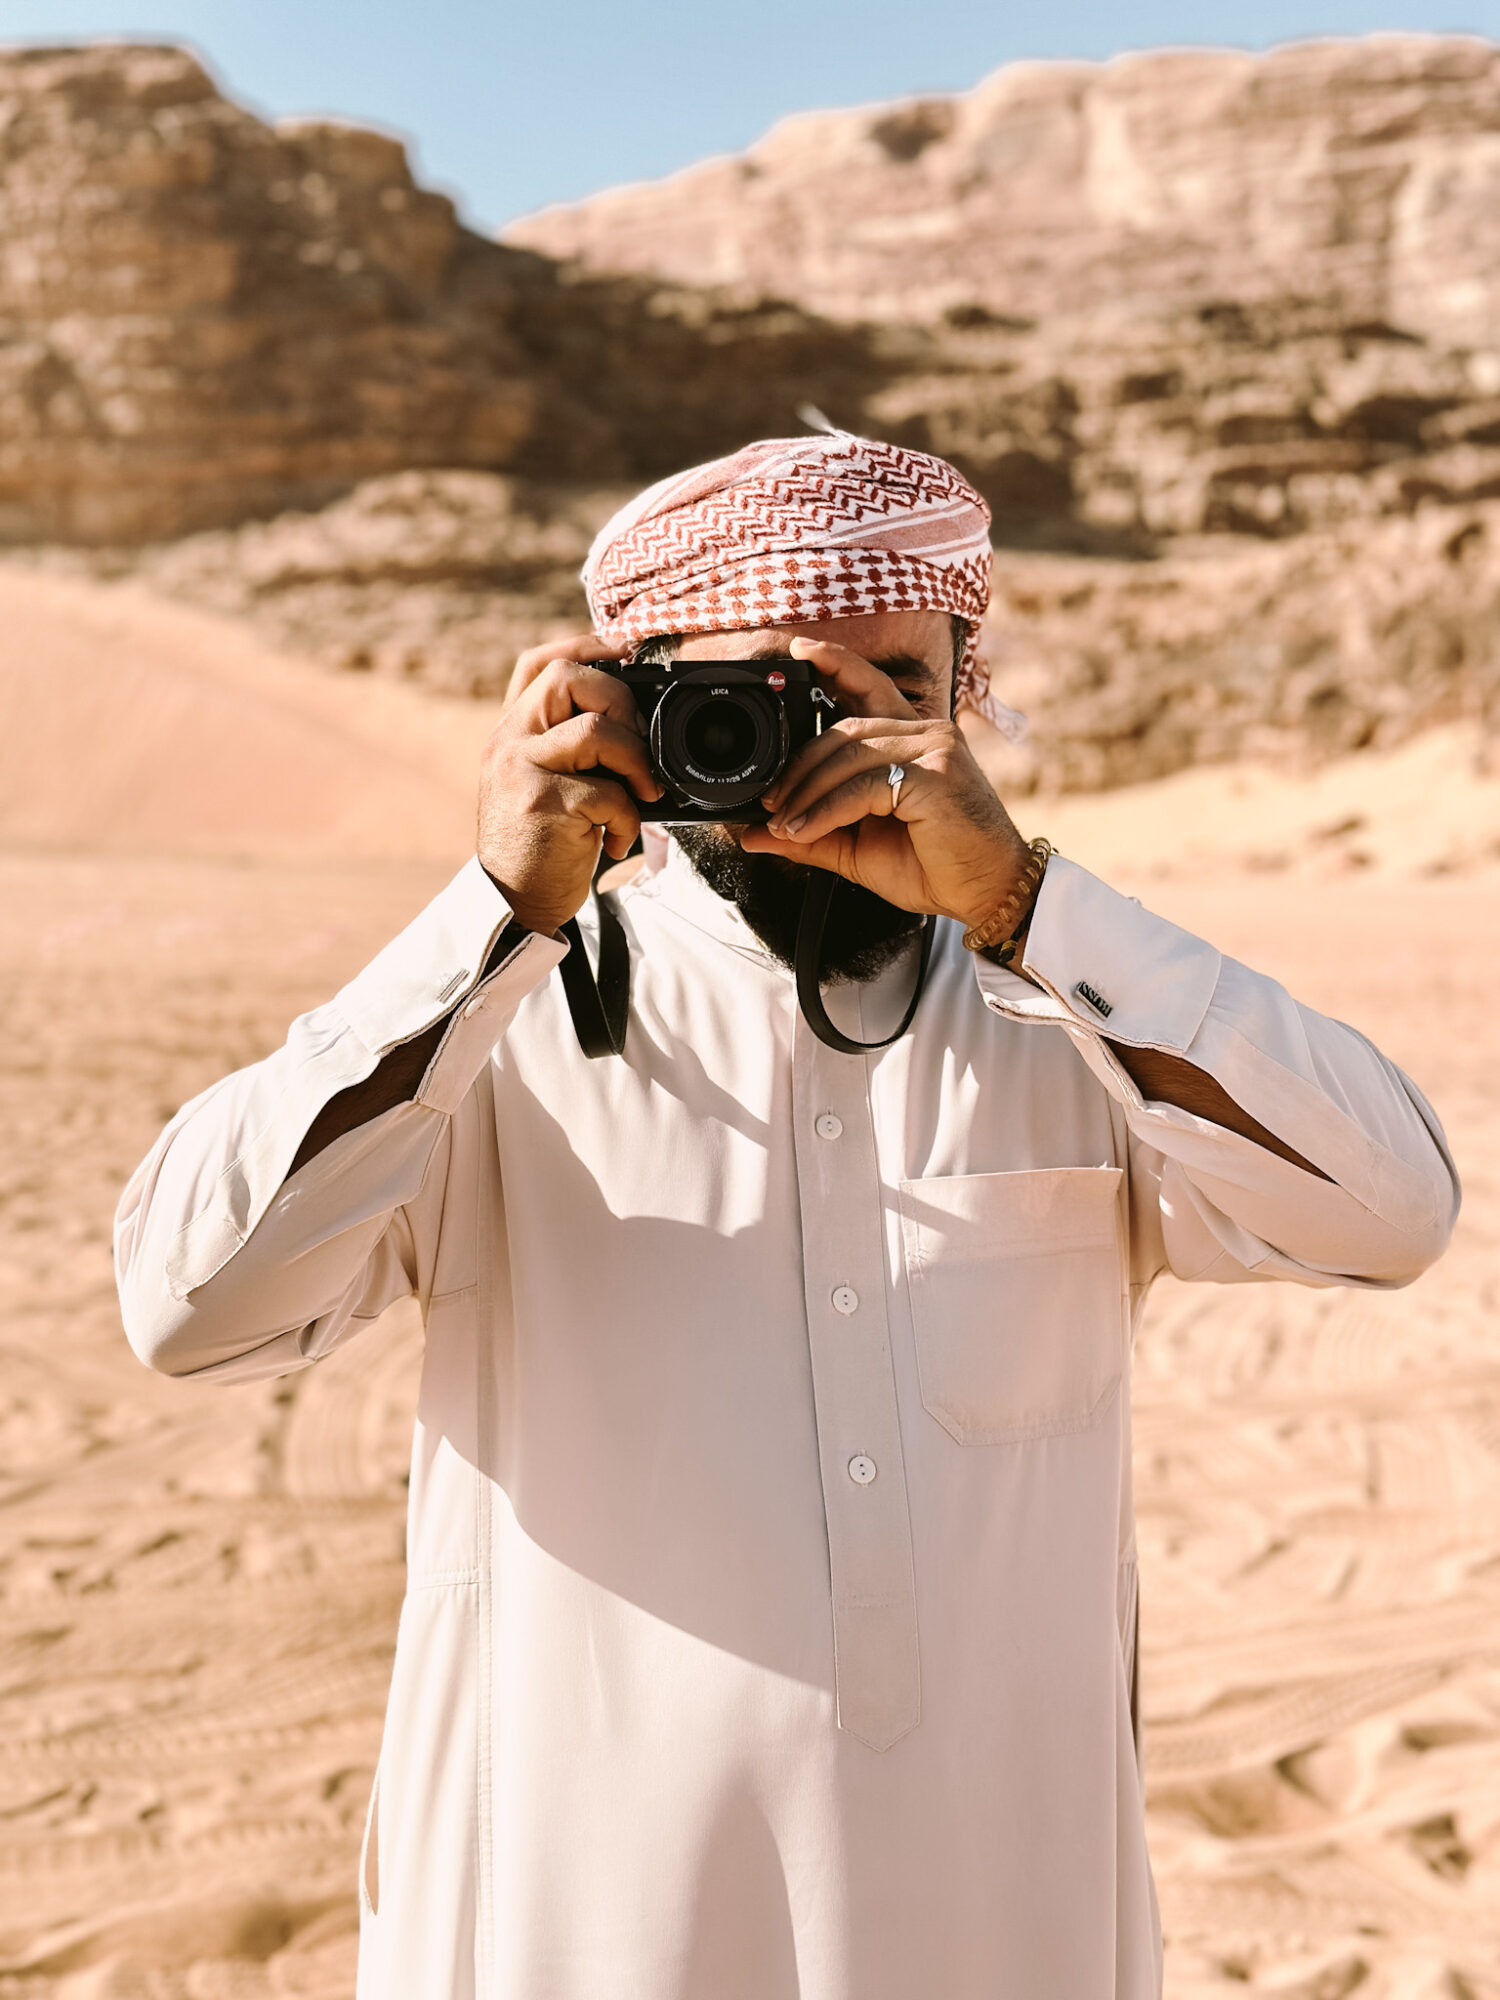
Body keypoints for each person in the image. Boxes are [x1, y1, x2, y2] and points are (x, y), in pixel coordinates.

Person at [115, 435, 1458, 2000]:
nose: (823, 742)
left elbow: (1394, 1210)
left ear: (969, 698)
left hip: (1000, 1936)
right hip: (563, 1938)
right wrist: (491, 914)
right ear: (641, 708)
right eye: (754, 697)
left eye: (892, 687)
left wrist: (1031, 908)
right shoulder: (494, 1028)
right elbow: (184, 1303)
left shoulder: (1076, 1021)